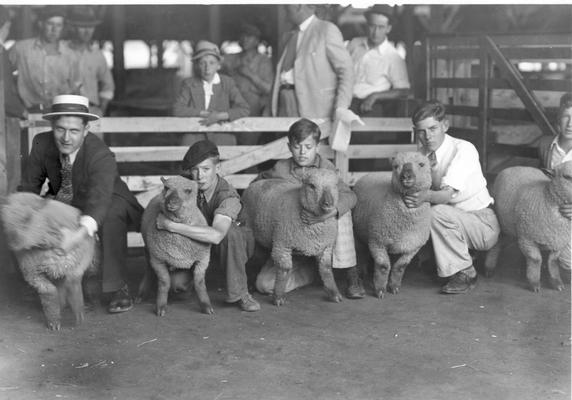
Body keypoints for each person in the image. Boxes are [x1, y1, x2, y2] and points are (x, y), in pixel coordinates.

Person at [22, 95, 144, 313]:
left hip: (110, 197)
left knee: (111, 214)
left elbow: (99, 200)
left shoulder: (100, 154)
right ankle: (56, 285)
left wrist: (77, 235)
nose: (66, 137)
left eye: (74, 131)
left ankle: (117, 287)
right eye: (60, 129)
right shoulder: (41, 143)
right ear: (52, 126)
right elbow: (30, 186)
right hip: (70, 199)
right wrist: (23, 215)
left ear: (86, 130)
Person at [254, 118, 365, 299]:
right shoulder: (281, 168)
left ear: (317, 146)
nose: (302, 152)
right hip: (291, 239)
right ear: (289, 147)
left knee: (342, 213)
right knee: (264, 285)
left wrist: (330, 213)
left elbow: (349, 195)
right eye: (297, 146)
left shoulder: (327, 168)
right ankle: (309, 273)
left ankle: (352, 275)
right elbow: (260, 185)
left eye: (308, 146)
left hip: (322, 235)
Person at [404, 100, 500, 294]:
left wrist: (423, 196)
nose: (427, 136)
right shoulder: (422, 153)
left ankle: (466, 272)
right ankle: (440, 256)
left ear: (445, 126)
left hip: (481, 222)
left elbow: (446, 196)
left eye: (433, 128)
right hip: (453, 222)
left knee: (435, 211)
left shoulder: (463, 149)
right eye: (421, 131)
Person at [155, 139, 261, 312]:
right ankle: (195, 275)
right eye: (195, 170)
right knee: (177, 286)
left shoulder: (228, 196)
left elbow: (217, 235)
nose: (199, 176)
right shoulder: (186, 186)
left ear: (217, 168)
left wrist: (170, 226)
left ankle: (241, 292)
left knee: (230, 233)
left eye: (206, 169)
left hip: (233, 248)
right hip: (198, 247)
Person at [270, 4, 353, 119]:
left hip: (315, 108)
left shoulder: (326, 30)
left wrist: (341, 107)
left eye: (287, 5)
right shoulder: (288, 36)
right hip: (284, 102)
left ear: (298, 6)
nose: (284, 8)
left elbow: (346, 70)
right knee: (284, 137)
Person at [172, 40, 250, 146]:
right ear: (196, 65)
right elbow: (177, 109)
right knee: (190, 153)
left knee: (225, 155)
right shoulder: (189, 84)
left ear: (218, 65)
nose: (207, 68)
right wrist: (204, 113)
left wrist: (219, 116)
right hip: (196, 135)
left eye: (212, 63)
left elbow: (244, 109)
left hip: (222, 135)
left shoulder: (227, 82)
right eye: (202, 63)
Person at [9, 6, 81, 112]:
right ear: (41, 24)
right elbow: (4, 76)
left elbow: (76, 89)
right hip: (28, 113)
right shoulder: (21, 49)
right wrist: (16, 104)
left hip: (59, 113)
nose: (54, 30)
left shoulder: (71, 56)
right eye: (50, 24)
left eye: (58, 25)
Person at [347, 5, 410, 116]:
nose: (375, 32)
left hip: (370, 107)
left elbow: (403, 90)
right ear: (367, 25)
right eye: (372, 26)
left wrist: (375, 96)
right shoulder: (355, 44)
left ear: (388, 28)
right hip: (346, 102)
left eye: (381, 27)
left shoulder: (393, 57)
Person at [538, 92, 572, 270]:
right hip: (548, 211)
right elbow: (539, 179)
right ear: (559, 119)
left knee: (568, 264)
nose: (571, 124)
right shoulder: (546, 145)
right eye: (566, 117)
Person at [65, 6, 115, 118]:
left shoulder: (97, 55)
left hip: (92, 111)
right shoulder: (61, 51)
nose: (87, 31)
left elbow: (108, 87)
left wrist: (100, 110)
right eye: (82, 27)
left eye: (91, 27)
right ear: (72, 27)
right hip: (65, 111)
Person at [221, 23, 273, 119]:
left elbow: (269, 89)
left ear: (257, 41)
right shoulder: (231, 58)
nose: (245, 39)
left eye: (249, 36)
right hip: (231, 103)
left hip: (253, 104)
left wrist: (250, 74)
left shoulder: (263, 61)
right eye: (242, 36)